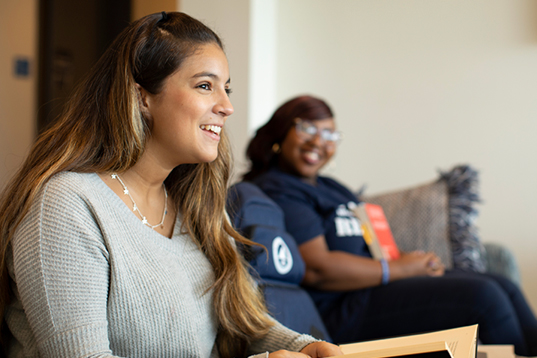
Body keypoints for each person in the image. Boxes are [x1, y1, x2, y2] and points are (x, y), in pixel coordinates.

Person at [0, 13, 342, 358]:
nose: (227, 106)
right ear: (142, 98)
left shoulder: (196, 202)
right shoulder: (64, 205)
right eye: (205, 86)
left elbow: (241, 322)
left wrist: (303, 346)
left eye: (227, 88)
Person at [244, 95, 537, 357]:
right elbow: (318, 268)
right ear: (280, 132)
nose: (318, 142)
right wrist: (402, 269)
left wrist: (414, 262)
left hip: (374, 287)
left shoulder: (332, 187)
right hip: (341, 308)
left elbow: (373, 242)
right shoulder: (278, 187)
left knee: (502, 284)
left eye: (330, 135)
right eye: (307, 128)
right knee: (484, 297)